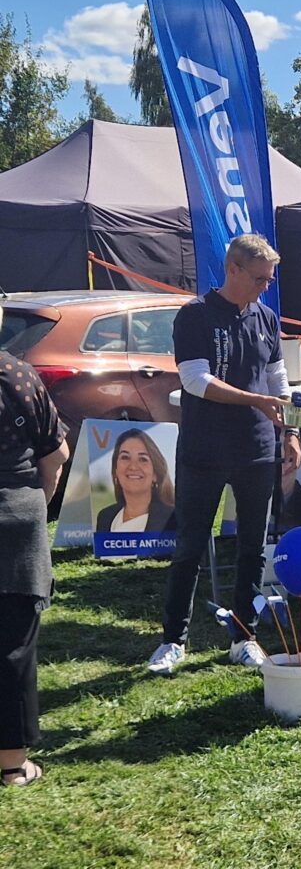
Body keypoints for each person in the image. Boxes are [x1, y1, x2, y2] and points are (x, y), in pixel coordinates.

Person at [146, 234, 301, 675]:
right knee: (190, 546)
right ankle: (173, 640)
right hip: (204, 449)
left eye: (269, 280)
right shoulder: (194, 315)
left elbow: (278, 381)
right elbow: (196, 381)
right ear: (232, 270)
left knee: (253, 547)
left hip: (257, 448)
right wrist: (255, 401)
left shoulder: (266, 317)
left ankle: (244, 637)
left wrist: (290, 431)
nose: (264, 287)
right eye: (259, 279)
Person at [0, 336, 70, 787]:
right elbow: (56, 455)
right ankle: (12, 765)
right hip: (17, 519)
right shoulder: (18, 374)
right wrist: (36, 507)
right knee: (13, 645)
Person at [95, 428, 175, 533]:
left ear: (155, 474)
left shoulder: (171, 518)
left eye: (143, 459)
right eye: (125, 457)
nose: (133, 467)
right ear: (116, 470)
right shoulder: (105, 517)